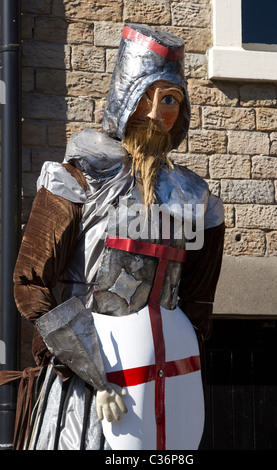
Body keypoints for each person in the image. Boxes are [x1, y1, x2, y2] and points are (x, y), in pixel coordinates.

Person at [13, 23, 224, 450]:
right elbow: (30, 284)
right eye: (145, 95)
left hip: (159, 384)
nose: (154, 112)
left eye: (169, 99)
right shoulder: (77, 179)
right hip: (86, 386)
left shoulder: (196, 200)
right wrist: (92, 371)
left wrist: (172, 366)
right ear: (124, 96)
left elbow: (196, 301)